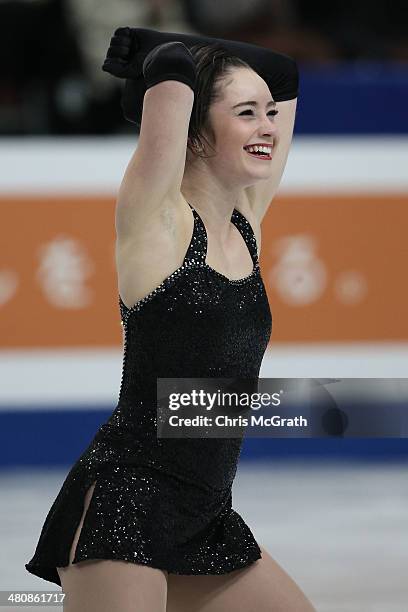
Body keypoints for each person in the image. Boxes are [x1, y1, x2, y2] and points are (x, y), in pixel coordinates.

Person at [25, 27, 316, 611]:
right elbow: (174, 68)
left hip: (207, 511)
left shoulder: (245, 221)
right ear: (196, 131)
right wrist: (159, 53)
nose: (269, 126)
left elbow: (282, 71)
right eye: (245, 113)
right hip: (128, 502)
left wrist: (157, 38)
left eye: (269, 114)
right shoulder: (156, 219)